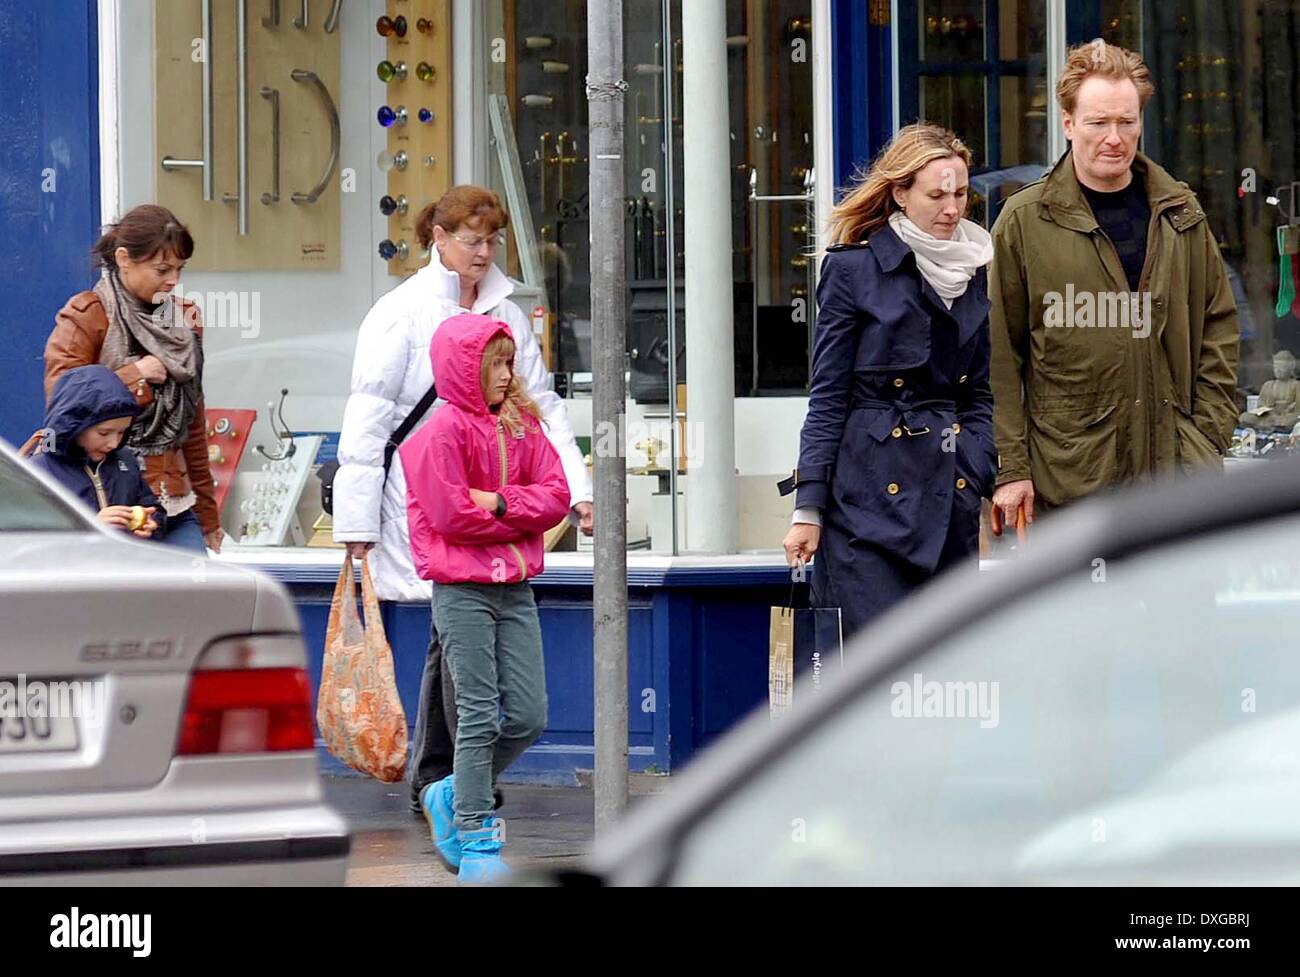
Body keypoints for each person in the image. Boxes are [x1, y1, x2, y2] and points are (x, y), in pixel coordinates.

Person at [332, 185, 592, 814]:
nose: (484, 252)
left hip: (495, 486)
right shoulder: (401, 312)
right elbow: (368, 420)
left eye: (492, 240)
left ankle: (443, 777)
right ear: (437, 239)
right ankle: (451, 781)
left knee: (449, 638)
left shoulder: (505, 310)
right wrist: (357, 522)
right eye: (472, 240)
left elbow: (540, 403)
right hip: (424, 491)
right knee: (452, 628)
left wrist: (578, 489)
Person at [988, 41, 1239, 529]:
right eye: (1098, 123)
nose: (1114, 138)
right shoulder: (1024, 222)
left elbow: (1219, 327)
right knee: (1079, 610)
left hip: (1177, 479)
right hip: (1072, 484)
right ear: (1067, 124)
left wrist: (1207, 435)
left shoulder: (1180, 213)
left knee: (1180, 607)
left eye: (1126, 122)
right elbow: (997, 357)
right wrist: (1011, 468)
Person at [781, 123, 998, 639]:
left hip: (948, 503)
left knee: (946, 681)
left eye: (961, 193)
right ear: (900, 194)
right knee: (877, 685)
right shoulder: (853, 270)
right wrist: (808, 507)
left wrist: (975, 466)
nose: (952, 208)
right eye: (937, 195)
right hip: (867, 513)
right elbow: (828, 397)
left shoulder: (974, 265)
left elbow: (978, 391)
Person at [401, 313, 570, 883]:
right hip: (460, 590)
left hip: (515, 586)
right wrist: (518, 515)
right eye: (492, 362)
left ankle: (450, 789)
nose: (505, 373)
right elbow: (452, 517)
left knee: (528, 714)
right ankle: (475, 834)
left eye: (507, 361)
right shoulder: (437, 435)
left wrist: (498, 504)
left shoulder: (523, 428)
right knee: (476, 712)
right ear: (464, 368)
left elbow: (557, 498)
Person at [44, 205, 221, 553]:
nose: (173, 280)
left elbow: (192, 421)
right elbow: (62, 403)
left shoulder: (184, 321)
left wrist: (208, 514)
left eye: (179, 269)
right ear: (124, 258)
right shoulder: (88, 315)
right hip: (113, 499)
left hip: (175, 500)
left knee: (192, 602)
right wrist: (134, 375)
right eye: (162, 269)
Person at [23, 365, 165, 541]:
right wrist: (88, 528)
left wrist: (153, 522)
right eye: (103, 433)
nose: (114, 443)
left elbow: (150, 504)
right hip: (75, 566)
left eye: (122, 432)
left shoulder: (125, 461)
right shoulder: (39, 471)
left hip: (123, 564)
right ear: (74, 427)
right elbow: (28, 536)